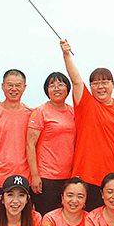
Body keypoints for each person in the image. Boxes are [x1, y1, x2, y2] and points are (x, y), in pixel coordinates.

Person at [61, 40, 114, 211]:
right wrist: (66, 54)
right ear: (90, 87)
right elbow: (76, 81)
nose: (100, 86)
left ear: (113, 84)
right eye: (95, 83)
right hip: (86, 177)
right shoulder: (86, 104)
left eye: (105, 82)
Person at [26, 71, 76, 214]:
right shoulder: (40, 111)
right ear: (47, 90)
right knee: (46, 217)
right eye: (52, 85)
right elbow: (30, 145)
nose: (56, 88)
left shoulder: (73, 112)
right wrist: (35, 176)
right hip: (46, 177)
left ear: (67, 88)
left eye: (60, 84)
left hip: (68, 176)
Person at [0, 70, 33, 198]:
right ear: (3, 86)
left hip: (24, 176)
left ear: (24, 87)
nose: (14, 89)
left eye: (18, 85)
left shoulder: (32, 114)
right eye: (10, 85)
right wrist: (0, 161)